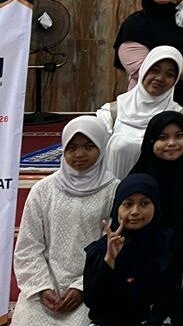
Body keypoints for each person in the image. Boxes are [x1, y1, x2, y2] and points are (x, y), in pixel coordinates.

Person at [14, 116, 117, 326]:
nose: (79, 154)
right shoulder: (43, 190)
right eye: (71, 147)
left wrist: (81, 287)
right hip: (45, 284)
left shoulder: (114, 190)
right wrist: (42, 288)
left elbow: (111, 248)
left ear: (101, 148)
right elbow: (27, 246)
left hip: (92, 285)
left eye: (89, 146)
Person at [129, 112, 183, 326]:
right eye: (162, 137)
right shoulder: (138, 179)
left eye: (179, 135)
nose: (171, 143)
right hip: (144, 264)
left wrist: (181, 273)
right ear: (150, 141)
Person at [81, 174, 182, 326]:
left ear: (156, 205)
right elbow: (93, 302)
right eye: (128, 204)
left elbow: (170, 295)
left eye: (144, 203)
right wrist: (109, 261)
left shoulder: (167, 243)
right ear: (117, 207)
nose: (135, 211)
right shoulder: (101, 248)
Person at [98, 46, 183, 178]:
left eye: (169, 74)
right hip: (114, 189)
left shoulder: (182, 118)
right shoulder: (112, 113)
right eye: (155, 70)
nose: (160, 78)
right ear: (144, 69)